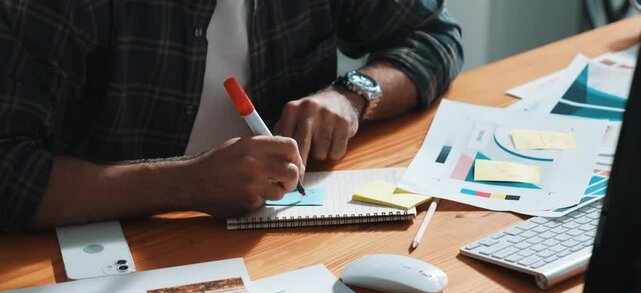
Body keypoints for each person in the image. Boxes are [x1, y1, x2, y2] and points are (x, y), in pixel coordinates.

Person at [0, 0, 463, 232]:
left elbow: (432, 35)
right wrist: (185, 183)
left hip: (275, 239)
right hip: (113, 252)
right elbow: (9, 173)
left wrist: (352, 96)